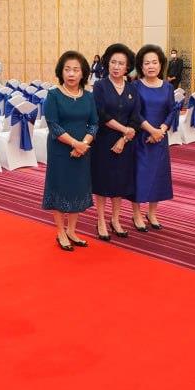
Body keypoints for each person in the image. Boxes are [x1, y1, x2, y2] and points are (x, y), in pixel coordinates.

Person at [43, 50, 99, 249]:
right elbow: (53, 125)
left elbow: (94, 123)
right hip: (61, 150)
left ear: (83, 73)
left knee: (77, 187)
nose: (71, 74)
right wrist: (76, 144)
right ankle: (61, 232)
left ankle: (71, 230)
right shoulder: (54, 95)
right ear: (61, 71)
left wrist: (84, 144)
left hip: (83, 150)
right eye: (67, 69)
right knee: (60, 187)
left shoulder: (89, 96)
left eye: (76, 70)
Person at [91, 43, 140, 240]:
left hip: (125, 143)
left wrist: (124, 138)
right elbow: (101, 114)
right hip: (103, 141)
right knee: (103, 182)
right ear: (107, 63)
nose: (116, 67)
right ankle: (101, 220)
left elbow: (135, 117)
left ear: (127, 67)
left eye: (121, 63)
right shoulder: (100, 86)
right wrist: (124, 130)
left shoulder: (132, 88)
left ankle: (116, 219)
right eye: (113, 62)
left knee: (120, 183)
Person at [133, 44, 175, 232]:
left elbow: (172, 111)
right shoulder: (136, 86)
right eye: (146, 63)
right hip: (141, 138)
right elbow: (135, 113)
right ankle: (136, 214)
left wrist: (162, 130)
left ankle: (152, 213)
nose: (151, 66)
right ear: (141, 66)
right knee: (139, 176)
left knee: (158, 176)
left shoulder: (168, 87)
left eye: (154, 62)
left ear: (160, 64)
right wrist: (152, 131)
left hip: (160, 139)